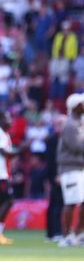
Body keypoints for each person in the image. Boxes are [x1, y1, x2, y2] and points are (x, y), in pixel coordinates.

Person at [0, 111, 22, 245]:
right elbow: (3, 152)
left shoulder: (4, 134)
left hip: (3, 173)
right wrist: (19, 150)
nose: (10, 120)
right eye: (7, 118)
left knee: (3, 201)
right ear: (0, 119)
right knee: (8, 200)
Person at [56, 93, 84, 247]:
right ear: (76, 106)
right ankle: (66, 236)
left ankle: (79, 234)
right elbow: (78, 147)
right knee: (71, 202)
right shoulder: (70, 125)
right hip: (70, 168)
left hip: (80, 168)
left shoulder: (78, 123)